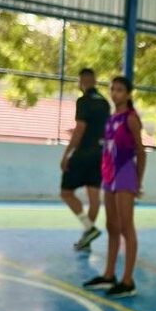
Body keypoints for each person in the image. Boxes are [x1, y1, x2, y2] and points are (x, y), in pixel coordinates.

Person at [83, 77, 145, 298]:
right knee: (112, 225)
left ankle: (128, 280)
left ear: (128, 94)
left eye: (119, 90)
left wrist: (138, 180)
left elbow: (140, 151)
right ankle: (108, 274)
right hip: (109, 176)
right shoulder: (110, 119)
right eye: (112, 89)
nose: (115, 93)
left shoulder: (131, 118)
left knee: (127, 227)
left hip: (125, 174)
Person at [60, 68, 111, 251]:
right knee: (94, 198)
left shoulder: (83, 101)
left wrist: (67, 154)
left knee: (66, 192)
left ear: (81, 82)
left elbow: (80, 129)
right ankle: (87, 239)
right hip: (100, 154)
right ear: (95, 81)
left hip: (83, 154)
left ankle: (89, 228)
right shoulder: (105, 103)